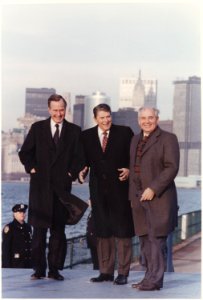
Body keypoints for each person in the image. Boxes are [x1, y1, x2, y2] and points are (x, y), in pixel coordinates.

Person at [19, 94, 85, 281]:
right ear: (49, 110)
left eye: (62, 110)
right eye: (55, 110)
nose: (58, 113)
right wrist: (31, 168)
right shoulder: (37, 128)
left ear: (66, 109)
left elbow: (79, 158)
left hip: (61, 189)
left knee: (58, 231)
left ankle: (54, 270)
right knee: (39, 232)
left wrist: (71, 173)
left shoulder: (74, 131)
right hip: (40, 188)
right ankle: (38, 269)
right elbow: (25, 152)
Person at [79, 103, 134, 285]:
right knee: (103, 232)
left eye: (108, 116)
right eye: (102, 117)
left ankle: (123, 272)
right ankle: (106, 272)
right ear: (95, 119)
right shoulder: (86, 136)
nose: (106, 120)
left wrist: (129, 169)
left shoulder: (125, 133)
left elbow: (134, 158)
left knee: (123, 232)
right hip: (97, 192)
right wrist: (81, 170)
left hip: (120, 190)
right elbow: (84, 160)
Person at [129, 107, 180, 291]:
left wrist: (153, 188)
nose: (147, 121)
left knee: (156, 242)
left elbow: (171, 168)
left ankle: (155, 281)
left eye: (150, 118)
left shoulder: (168, 139)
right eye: (143, 118)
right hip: (138, 200)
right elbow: (135, 168)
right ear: (138, 120)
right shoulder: (135, 139)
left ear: (157, 119)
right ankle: (148, 277)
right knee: (144, 242)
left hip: (159, 199)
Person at [2, 204, 32, 268]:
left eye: (24, 212)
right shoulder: (9, 228)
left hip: (28, 263)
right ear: (14, 214)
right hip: (15, 264)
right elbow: (5, 248)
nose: (22, 214)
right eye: (20, 212)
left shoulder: (28, 227)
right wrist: (6, 266)